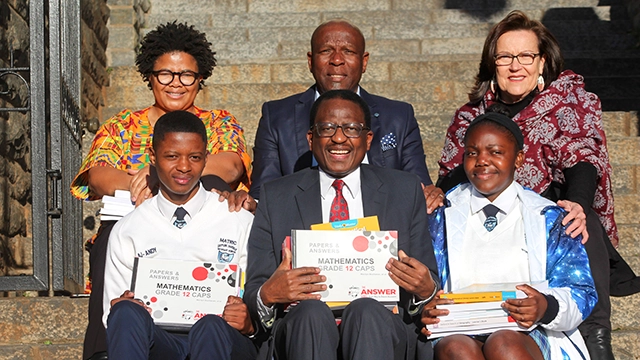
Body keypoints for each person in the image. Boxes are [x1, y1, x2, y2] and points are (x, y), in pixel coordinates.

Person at [437, 10, 628, 359]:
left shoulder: (569, 100)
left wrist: (578, 203)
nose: (515, 65)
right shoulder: (470, 115)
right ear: (492, 64)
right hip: (489, 207)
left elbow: (583, 156)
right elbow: (452, 173)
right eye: (505, 56)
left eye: (525, 56)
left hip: (551, 206)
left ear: (542, 61)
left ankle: (596, 340)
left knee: (580, 225)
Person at [70, 22, 251, 360]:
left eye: (186, 75)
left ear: (200, 80)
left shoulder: (218, 123)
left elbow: (229, 167)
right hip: (140, 226)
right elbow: (97, 175)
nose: (176, 84)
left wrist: (169, 175)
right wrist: (142, 182)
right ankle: (102, 348)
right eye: (165, 74)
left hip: (205, 232)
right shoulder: (123, 125)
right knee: (112, 238)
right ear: (149, 76)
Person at [244, 89, 440, 360]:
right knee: (311, 314)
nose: (339, 137)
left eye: (351, 128)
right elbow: (255, 291)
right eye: (327, 128)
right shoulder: (276, 196)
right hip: (303, 329)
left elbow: (430, 285)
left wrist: (424, 287)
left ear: (368, 139)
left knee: (366, 311)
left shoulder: (404, 191)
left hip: (380, 329)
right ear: (311, 138)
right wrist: (269, 294)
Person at [424, 112, 597, 360]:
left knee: (504, 343)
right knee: (456, 349)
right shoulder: (440, 215)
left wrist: (546, 307)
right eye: (472, 153)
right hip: (459, 328)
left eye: (495, 152)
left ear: (518, 159)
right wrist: (425, 305)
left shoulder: (548, 216)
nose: (482, 160)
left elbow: (581, 291)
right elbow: (423, 280)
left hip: (528, 331)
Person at [225, 19, 443, 213]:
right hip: (302, 226)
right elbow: (264, 192)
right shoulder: (277, 116)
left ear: (364, 61)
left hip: (379, 230)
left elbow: (419, 187)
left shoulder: (398, 116)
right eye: (326, 51)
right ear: (310, 61)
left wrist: (432, 195)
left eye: (348, 51)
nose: (337, 60)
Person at [103, 110, 257, 360]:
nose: (184, 167)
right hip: (161, 340)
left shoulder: (236, 219)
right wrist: (124, 305)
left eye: (194, 157)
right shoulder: (129, 229)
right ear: (152, 157)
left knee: (209, 327)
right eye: (171, 156)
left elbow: (257, 295)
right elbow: (110, 314)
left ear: (206, 158)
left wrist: (248, 318)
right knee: (124, 313)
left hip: (222, 339)